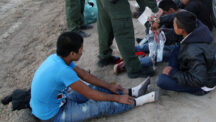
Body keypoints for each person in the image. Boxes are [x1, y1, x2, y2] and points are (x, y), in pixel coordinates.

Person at [30, 32, 158, 121]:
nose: (82, 51)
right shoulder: (63, 70)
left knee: (96, 87)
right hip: (54, 115)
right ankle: (137, 101)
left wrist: (109, 86)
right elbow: (89, 94)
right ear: (72, 53)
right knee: (101, 106)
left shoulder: (58, 58)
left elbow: (85, 75)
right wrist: (117, 98)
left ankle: (131, 91)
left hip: (61, 100)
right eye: (80, 49)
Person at [95, 0, 175, 78]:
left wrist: (149, 22)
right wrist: (155, 10)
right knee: (124, 30)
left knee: (106, 26)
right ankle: (134, 69)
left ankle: (104, 56)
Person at [157, 11, 216, 95]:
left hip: (203, 84)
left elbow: (199, 80)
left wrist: (173, 73)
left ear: (181, 30)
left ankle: (174, 72)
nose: (173, 26)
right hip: (202, 67)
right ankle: (175, 71)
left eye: (174, 25)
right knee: (176, 49)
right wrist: (159, 21)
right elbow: (176, 17)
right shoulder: (197, 25)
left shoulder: (192, 52)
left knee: (162, 80)